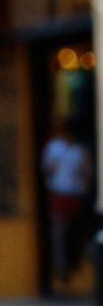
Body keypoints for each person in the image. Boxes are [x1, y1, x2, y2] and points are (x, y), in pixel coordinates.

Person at [41, 118, 93, 284]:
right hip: (63, 195)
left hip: (72, 196)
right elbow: (49, 171)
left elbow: (86, 174)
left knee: (72, 234)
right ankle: (63, 269)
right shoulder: (58, 148)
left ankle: (72, 265)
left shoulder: (76, 150)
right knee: (61, 235)